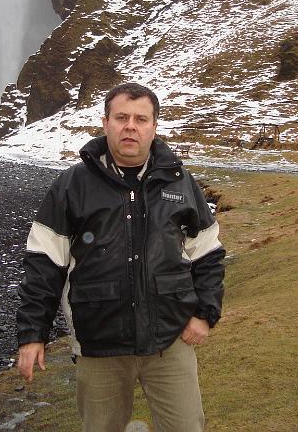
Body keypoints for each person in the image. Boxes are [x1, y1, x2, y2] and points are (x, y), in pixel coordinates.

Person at [16, 82, 225, 432]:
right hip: (99, 344)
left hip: (170, 340)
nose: (131, 126)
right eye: (122, 117)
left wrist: (204, 314)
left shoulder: (180, 183)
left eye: (141, 119)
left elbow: (208, 255)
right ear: (106, 123)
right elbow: (43, 264)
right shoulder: (72, 185)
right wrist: (31, 334)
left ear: (153, 127)